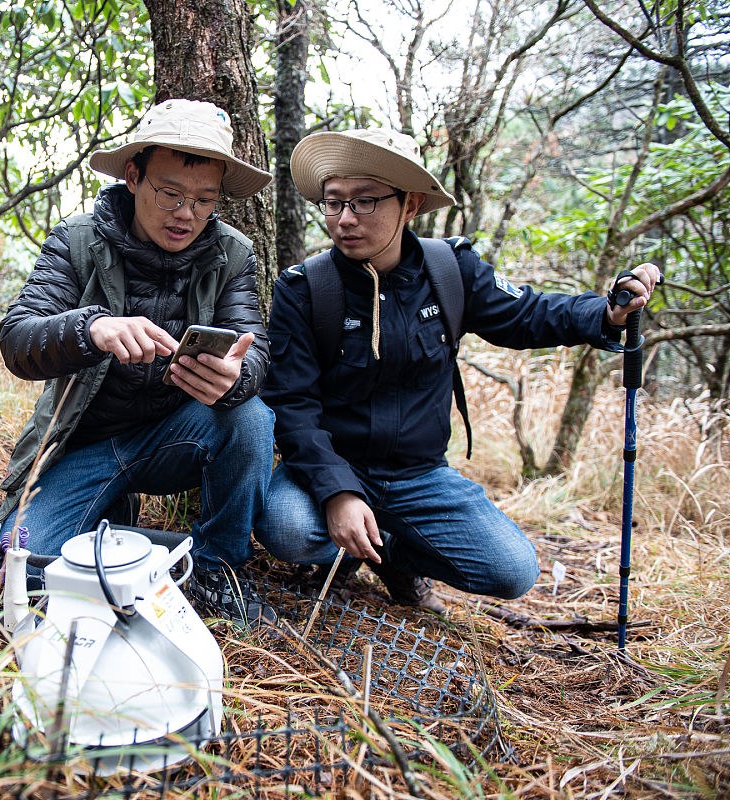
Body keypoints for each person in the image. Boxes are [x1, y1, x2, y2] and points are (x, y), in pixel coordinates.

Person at [256, 128, 662, 612]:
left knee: (513, 570)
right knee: (286, 527)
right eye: (333, 202)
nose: (344, 219)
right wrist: (338, 493)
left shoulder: (451, 271)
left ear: (410, 204)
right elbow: (293, 404)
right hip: (331, 466)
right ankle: (340, 549)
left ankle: (394, 557)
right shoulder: (305, 288)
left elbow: (527, 315)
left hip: (418, 475)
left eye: (364, 202)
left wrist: (607, 314)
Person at [0, 99, 276, 625]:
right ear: (133, 175)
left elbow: (253, 347)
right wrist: (91, 327)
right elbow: (17, 340)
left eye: (204, 201)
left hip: (174, 438)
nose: (186, 214)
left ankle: (219, 571)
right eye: (169, 194)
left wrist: (236, 378)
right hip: (81, 447)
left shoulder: (231, 254)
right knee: (23, 568)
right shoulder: (78, 241)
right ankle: (121, 528)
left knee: (252, 417)